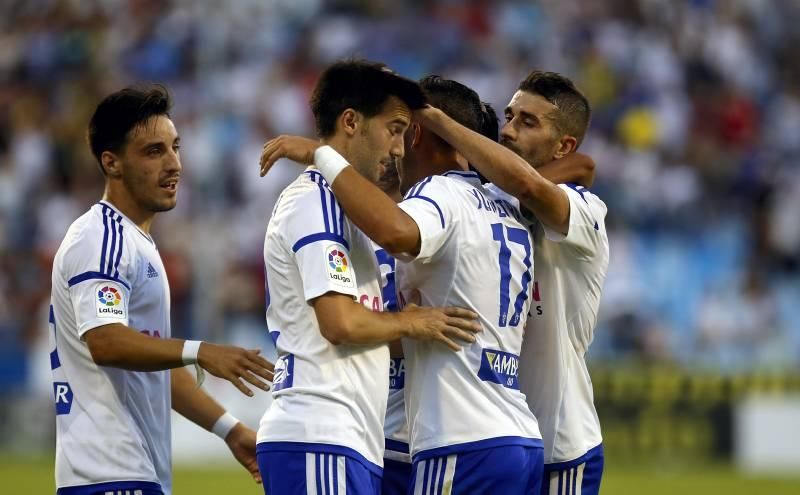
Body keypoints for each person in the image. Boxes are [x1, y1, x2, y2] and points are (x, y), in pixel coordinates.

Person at [261, 75, 545, 494]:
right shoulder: (509, 205)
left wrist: (322, 154)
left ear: (418, 134)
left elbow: (397, 236)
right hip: (512, 431)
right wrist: (409, 324)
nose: (396, 150)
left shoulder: (436, 196)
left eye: (402, 131)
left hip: (450, 437)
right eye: (391, 130)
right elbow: (349, 325)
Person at [49, 85, 275, 495]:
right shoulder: (102, 237)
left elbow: (154, 370)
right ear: (111, 163)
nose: (174, 164)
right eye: (154, 152)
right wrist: (199, 350)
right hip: (108, 474)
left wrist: (230, 430)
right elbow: (105, 342)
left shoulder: (135, 241)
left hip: (133, 474)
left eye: (175, 147)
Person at [411, 70, 608, 495]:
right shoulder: (493, 200)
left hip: (562, 442)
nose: (509, 130)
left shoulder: (587, 212)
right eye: (509, 116)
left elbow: (541, 181)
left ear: (564, 145)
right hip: (503, 432)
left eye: (528, 122)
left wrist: (439, 120)